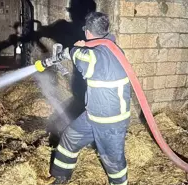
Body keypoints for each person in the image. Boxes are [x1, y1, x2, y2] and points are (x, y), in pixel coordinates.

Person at [49, 12, 130, 185]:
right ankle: (61, 175)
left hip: (111, 122)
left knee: (113, 163)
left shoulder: (99, 55)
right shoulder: (110, 47)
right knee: (69, 138)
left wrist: (76, 48)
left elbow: (82, 59)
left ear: (87, 32)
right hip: (93, 115)